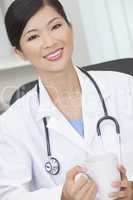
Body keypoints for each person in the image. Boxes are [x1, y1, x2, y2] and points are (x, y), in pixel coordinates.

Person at [0, 0, 133, 199]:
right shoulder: (12, 123)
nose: (50, 42)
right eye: (33, 36)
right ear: (19, 52)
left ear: (71, 28)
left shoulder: (125, 86)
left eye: (55, 26)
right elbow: (9, 194)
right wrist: (60, 196)